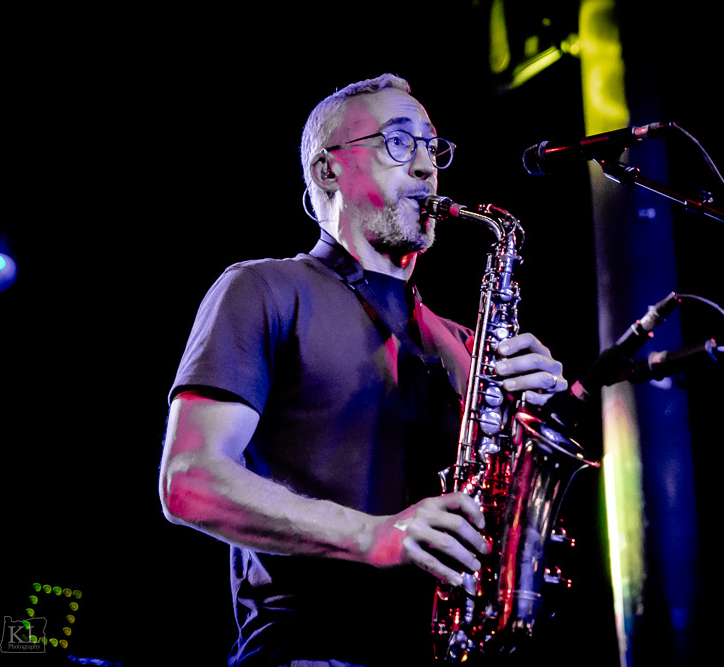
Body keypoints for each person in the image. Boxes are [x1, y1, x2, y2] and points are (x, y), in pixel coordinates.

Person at [158, 74, 568, 667]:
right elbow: (189, 481)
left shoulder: (467, 345)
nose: (427, 167)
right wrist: (377, 536)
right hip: (311, 653)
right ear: (328, 171)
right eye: (400, 143)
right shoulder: (263, 288)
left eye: (433, 147)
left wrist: (543, 411)